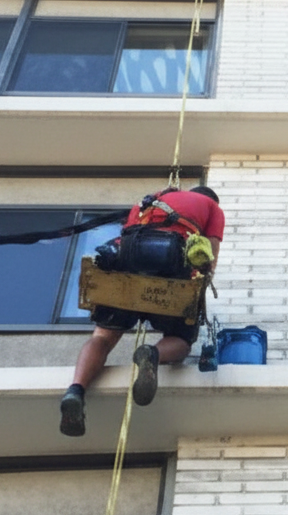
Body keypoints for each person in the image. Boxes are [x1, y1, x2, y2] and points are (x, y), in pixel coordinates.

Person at [59, 184, 225, 437]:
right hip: (169, 270)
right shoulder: (212, 207)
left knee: (102, 337)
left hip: (125, 265)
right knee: (181, 340)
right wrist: (201, 281)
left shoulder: (151, 200)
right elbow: (209, 255)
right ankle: (152, 353)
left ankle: (76, 390)